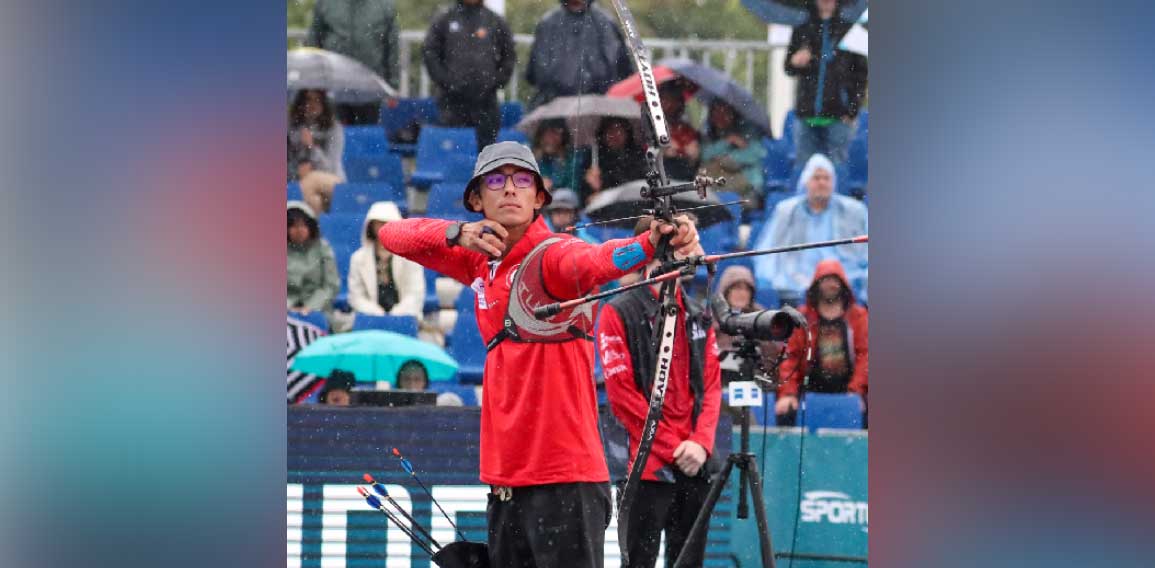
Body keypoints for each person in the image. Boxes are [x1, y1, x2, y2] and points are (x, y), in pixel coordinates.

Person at [376, 141, 700, 567]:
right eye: (496, 180)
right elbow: (391, 235)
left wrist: (650, 243)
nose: (510, 189)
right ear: (477, 199)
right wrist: (457, 232)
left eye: (522, 180)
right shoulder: (479, 261)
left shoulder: (555, 256)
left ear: (538, 198)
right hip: (506, 480)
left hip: (564, 480)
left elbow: (599, 260)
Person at [598, 218, 721, 568]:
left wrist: (700, 444)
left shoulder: (699, 313)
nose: (694, 251)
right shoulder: (617, 310)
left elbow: (712, 387)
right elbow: (622, 399)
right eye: (685, 242)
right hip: (645, 467)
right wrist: (674, 447)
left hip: (695, 464)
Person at [751, 153, 868, 306]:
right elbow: (768, 251)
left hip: (847, 276)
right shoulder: (786, 211)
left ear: (834, 182)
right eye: (817, 178)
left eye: (826, 178)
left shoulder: (854, 210)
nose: (822, 183)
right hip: (795, 279)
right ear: (806, 182)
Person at [774, 259, 868, 425]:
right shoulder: (801, 318)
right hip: (809, 391)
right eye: (825, 279)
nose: (830, 284)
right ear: (816, 284)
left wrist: (856, 392)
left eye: (834, 279)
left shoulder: (859, 317)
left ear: (843, 283)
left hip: (850, 390)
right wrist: (788, 394)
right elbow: (790, 358)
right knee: (785, 413)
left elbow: (866, 356)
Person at [422, 0, 516, 149]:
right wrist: (447, 82)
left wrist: (494, 82)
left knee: (486, 153)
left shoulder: (495, 21)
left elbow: (509, 56)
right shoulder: (445, 19)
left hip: (485, 102)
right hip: (451, 102)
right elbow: (430, 53)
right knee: (453, 149)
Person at [784, 0, 868, 168]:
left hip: (838, 115)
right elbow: (788, 68)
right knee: (805, 170)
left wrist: (852, 108)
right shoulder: (803, 29)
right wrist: (796, 61)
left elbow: (861, 74)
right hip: (806, 113)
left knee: (837, 169)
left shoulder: (849, 29)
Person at [525, 0, 634, 109]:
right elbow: (536, 71)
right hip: (556, 105)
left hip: (597, 105)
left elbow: (622, 68)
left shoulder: (605, 22)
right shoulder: (548, 23)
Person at [306, 0, 400, 124]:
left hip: (371, 87)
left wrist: (392, 86)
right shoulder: (325, 3)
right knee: (335, 136)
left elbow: (392, 48)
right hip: (334, 86)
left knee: (367, 136)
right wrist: (313, 82)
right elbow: (314, 42)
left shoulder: (384, 5)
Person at [347, 201, 426, 318]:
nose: (383, 227)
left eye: (387, 223)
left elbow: (415, 293)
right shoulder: (358, 258)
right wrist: (375, 313)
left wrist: (396, 314)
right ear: (371, 226)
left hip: (404, 318)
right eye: (378, 223)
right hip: (370, 319)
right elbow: (356, 296)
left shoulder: (411, 256)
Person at [700, 99, 768, 210]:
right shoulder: (708, 134)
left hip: (748, 188)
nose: (720, 117)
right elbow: (705, 155)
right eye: (716, 113)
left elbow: (757, 153)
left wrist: (729, 158)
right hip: (718, 187)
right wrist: (727, 142)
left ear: (733, 113)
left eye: (725, 112)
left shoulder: (748, 131)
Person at [288, 201, 341, 322]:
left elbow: (331, 285)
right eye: (293, 226)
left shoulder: (323, 248)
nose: (299, 230)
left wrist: (310, 307)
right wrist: (289, 307)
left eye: (303, 225)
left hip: (319, 310)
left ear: (311, 227)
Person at [288, 89, 346, 183]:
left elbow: (331, 167)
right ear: (301, 103)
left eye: (317, 100)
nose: (313, 104)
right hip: (295, 183)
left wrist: (311, 147)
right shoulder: (292, 128)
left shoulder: (333, 128)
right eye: (308, 99)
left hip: (328, 183)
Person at [583, 117, 646, 202]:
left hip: (635, 200)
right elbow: (585, 195)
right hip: (606, 203)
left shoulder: (638, 154)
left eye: (619, 130)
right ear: (603, 135)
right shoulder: (594, 157)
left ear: (627, 133)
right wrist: (591, 185)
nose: (615, 135)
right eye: (610, 131)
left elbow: (642, 179)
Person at [657, 82, 701, 182]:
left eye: (674, 100)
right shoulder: (649, 127)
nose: (669, 104)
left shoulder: (687, 130)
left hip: (683, 177)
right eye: (665, 99)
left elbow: (694, 159)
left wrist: (693, 157)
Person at [532, 118, 589, 194]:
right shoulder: (535, 160)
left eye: (554, 133)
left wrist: (552, 186)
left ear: (563, 136)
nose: (549, 138)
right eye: (545, 134)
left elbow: (573, 188)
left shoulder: (573, 159)